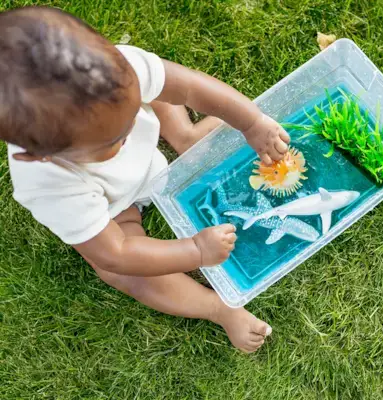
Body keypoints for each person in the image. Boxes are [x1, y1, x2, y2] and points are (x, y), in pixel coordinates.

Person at [1, 7, 290, 353]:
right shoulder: (49, 185)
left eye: (129, 118)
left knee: (159, 91)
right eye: (113, 142)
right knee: (122, 273)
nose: (129, 136)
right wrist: (195, 251)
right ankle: (219, 309)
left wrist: (251, 122)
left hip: (146, 144)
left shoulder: (118, 70)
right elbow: (116, 253)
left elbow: (188, 87)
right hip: (117, 208)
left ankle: (183, 136)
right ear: (40, 154)